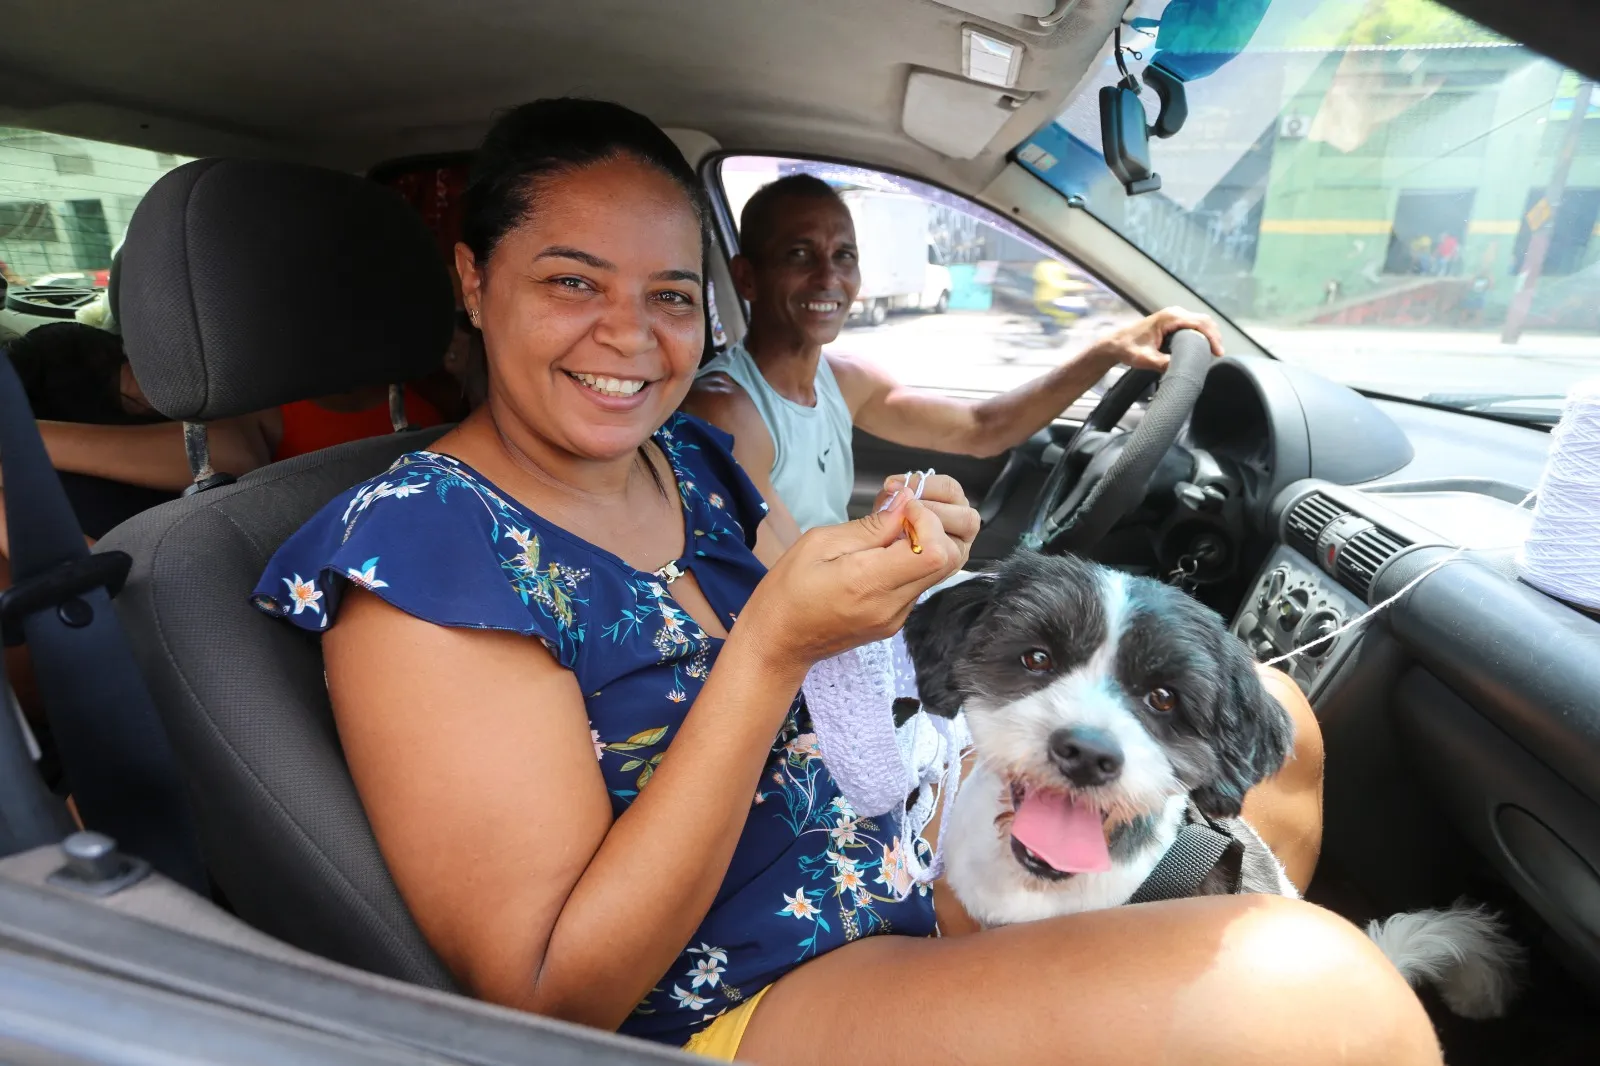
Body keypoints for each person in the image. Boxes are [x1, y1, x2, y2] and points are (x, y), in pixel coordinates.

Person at [251, 98, 1437, 1065]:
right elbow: (553, 994)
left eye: (669, 296)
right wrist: (772, 648)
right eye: (572, 282)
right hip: (749, 984)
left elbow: (849, 643)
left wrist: (908, 564)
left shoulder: (685, 457)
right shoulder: (418, 549)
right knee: (1326, 998)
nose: (632, 336)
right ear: (471, 282)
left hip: (893, 834)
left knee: (1272, 719)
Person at [681, 175, 1226, 543]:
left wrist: (1107, 351)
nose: (828, 278)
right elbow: (781, 577)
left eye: (843, 255)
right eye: (798, 255)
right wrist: (893, 533)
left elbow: (980, 429)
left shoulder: (844, 379)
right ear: (747, 277)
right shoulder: (724, 409)